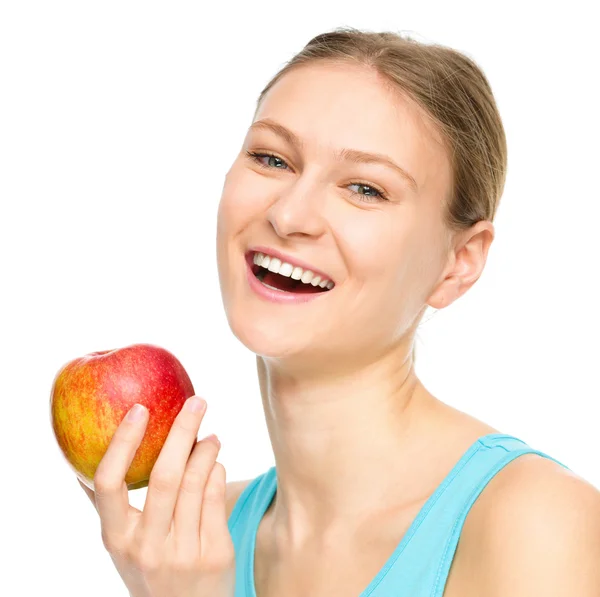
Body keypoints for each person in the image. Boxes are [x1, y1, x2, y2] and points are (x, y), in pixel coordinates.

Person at [80, 27, 600, 597]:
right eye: (271, 158)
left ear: (458, 264)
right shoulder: (194, 539)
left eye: (365, 189)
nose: (290, 214)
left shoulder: (536, 523)